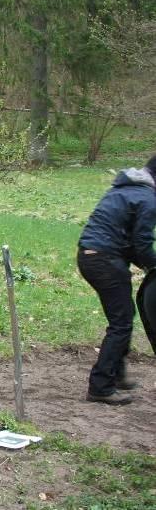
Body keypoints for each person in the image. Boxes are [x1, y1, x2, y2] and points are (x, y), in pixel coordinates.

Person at [77, 155, 156, 405]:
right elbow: (141, 243)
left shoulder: (125, 189)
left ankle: (117, 373)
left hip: (90, 256)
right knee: (121, 322)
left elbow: (128, 241)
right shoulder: (148, 198)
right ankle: (100, 386)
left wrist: (148, 264)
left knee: (123, 316)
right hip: (104, 260)